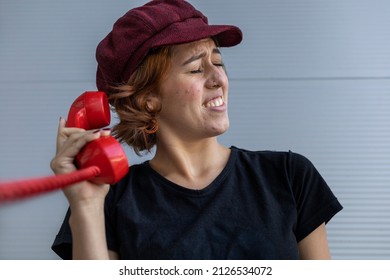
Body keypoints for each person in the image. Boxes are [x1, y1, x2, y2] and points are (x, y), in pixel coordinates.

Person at [51, 0, 342, 260]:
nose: (218, 78)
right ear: (148, 98)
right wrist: (86, 206)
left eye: (218, 62)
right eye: (195, 69)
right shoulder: (109, 199)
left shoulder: (290, 176)